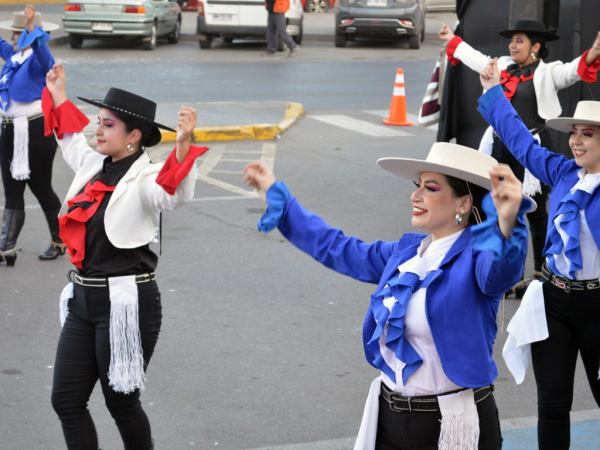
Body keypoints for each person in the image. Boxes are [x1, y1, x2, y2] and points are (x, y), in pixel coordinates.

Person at [243, 143, 534, 450]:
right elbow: (338, 248)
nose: (415, 195)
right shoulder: (406, 252)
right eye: (417, 185)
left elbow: (502, 271)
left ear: (463, 203)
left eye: (430, 188)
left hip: (451, 426)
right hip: (388, 418)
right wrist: (279, 198)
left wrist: (507, 224)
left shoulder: (479, 259)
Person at [45, 63, 209, 450]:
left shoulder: (146, 178)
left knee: (121, 401)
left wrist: (183, 145)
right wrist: (57, 93)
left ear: (134, 136)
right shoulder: (91, 165)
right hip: (82, 300)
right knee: (66, 400)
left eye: (107, 125)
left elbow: (172, 194)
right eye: (98, 122)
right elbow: (68, 136)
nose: (97, 130)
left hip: (126, 303)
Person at [479, 57, 600, 450]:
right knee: (551, 404)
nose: (576, 141)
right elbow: (520, 141)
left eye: (588, 135)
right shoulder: (564, 172)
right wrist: (492, 92)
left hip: (598, 305)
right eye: (575, 133)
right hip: (552, 300)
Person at [439, 20, 600, 291]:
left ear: (536, 46)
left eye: (520, 40)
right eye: (511, 40)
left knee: (536, 213)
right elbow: (475, 58)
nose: (513, 45)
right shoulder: (502, 65)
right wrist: (452, 39)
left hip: (534, 142)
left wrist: (594, 53)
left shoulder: (549, 72)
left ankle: (538, 271)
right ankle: (501, 272)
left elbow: (572, 71)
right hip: (503, 145)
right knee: (499, 206)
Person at [0, 5, 65, 266]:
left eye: (19, 34)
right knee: (12, 191)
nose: (14, 38)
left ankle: (59, 241)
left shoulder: (40, 61)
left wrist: (30, 28)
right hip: (8, 130)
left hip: (36, 132)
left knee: (41, 188)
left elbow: (43, 53)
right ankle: (6, 247)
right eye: (14, 33)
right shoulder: (12, 57)